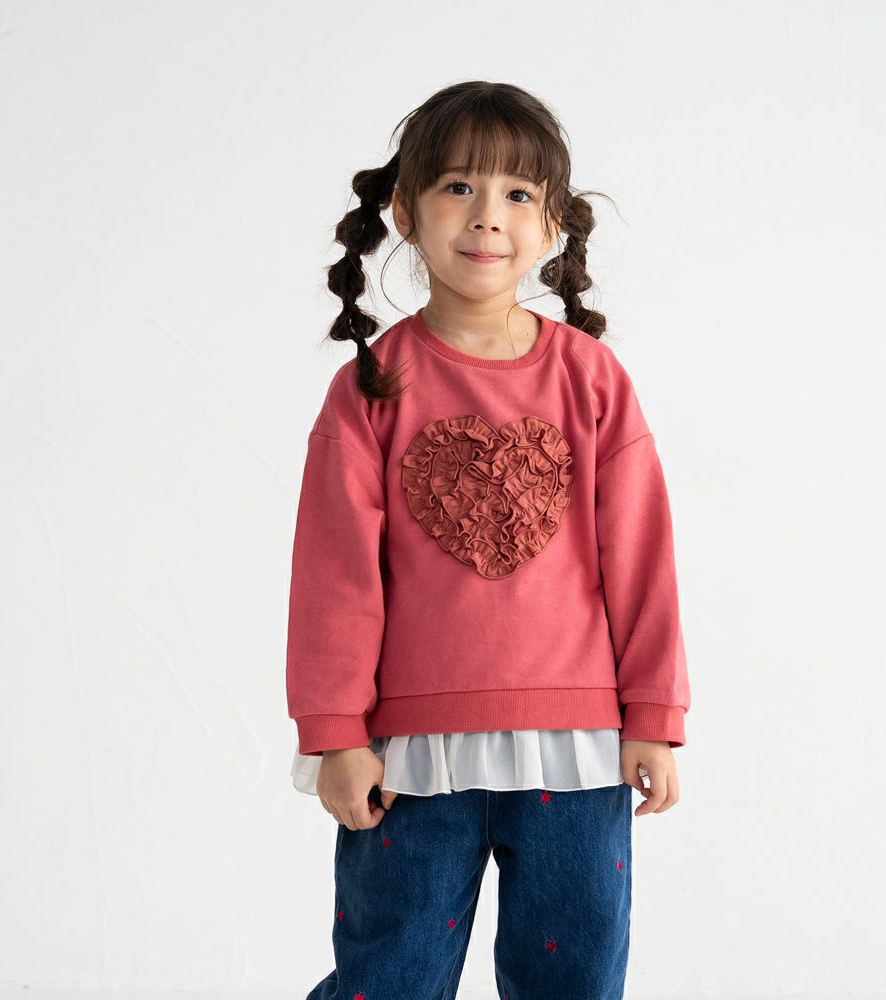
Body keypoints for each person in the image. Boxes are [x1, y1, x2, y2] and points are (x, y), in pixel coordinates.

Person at [285, 79, 692, 1000]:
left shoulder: (592, 379)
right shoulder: (371, 390)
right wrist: (335, 732)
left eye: (517, 193)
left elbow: (640, 557)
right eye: (459, 187)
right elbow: (335, 577)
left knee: (574, 978)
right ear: (406, 211)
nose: (487, 216)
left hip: (577, 750)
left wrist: (653, 715)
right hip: (410, 756)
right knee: (390, 975)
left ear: (552, 224)